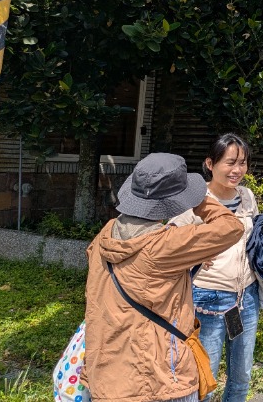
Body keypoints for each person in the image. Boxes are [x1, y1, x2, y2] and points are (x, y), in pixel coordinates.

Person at [83, 152, 244, 402]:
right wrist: (198, 199)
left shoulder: (105, 236)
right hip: (159, 381)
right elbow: (231, 228)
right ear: (173, 201)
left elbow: (142, 280)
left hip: (106, 375)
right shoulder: (166, 244)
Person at [173, 133, 263, 402]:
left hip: (246, 296)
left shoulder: (246, 196)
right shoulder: (196, 199)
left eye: (243, 163)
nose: (237, 170)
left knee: (242, 376)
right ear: (210, 164)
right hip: (207, 298)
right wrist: (193, 255)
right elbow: (171, 242)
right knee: (205, 378)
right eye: (230, 162)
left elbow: (248, 241)